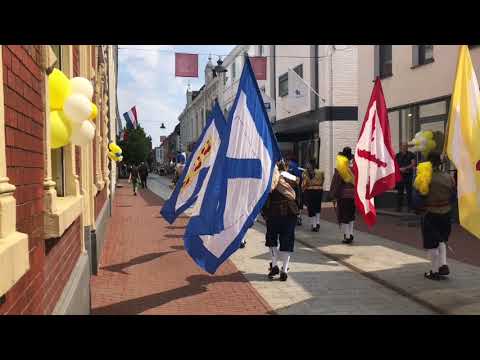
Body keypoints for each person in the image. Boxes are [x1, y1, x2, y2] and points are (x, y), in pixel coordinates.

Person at [413, 152, 456, 281]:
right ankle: (443, 264)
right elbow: (453, 196)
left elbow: (417, 197)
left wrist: (419, 209)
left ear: (428, 163)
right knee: (442, 239)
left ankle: (434, 271)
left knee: (431, 243)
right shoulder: (449, 177)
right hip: (446, 212)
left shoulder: (424, 179)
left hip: (430, 213)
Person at [262, 160, 299, 281]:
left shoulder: (270, 178)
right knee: (287, 239)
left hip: (273, 212)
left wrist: (264, 212)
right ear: (285, 167)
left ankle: (275, 265)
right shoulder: (293, 178)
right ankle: (284, 269)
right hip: (291, 213)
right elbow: (298, 197)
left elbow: (265, 196)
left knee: (272, 238)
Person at [329, 147, 356, 244]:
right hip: (353, 195)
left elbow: (336, 183)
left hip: (344, 196)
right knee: (351, 214)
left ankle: (347, 236)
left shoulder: (340, 169)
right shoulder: (353, 169)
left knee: (344, 215)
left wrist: (333, 195)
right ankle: (351, 233)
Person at [302, 162, 325, 232]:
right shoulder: (321, 172)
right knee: (317, 207)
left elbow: (305, 182)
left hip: (310, 191)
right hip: (319, 190)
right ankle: (317, 223)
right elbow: (323, 180)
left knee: (311, 208)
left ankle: (314, 225)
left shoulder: (305, 172)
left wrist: (303, 188)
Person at [395, 142, 416, 212]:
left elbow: (413, 164)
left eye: (406, 146)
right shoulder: (397, 155)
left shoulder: (411, 154)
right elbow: (394, 164)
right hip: (400, 176)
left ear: (407, 147)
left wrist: (405, 168)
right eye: (403, 146)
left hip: (408, 176)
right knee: (399, 192)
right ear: (401, 147)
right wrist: (399, 169)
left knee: (409, 192)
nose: (404, 147)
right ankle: (398, 207)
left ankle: (410, 208)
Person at [288, 157, 304, 226]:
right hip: (297, 188)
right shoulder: (298, 167)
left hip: (290, 187)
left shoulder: (289, 166)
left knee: (292, 201)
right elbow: (300, 178)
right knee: (298, 202)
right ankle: (298, 217)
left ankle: (293, 217)